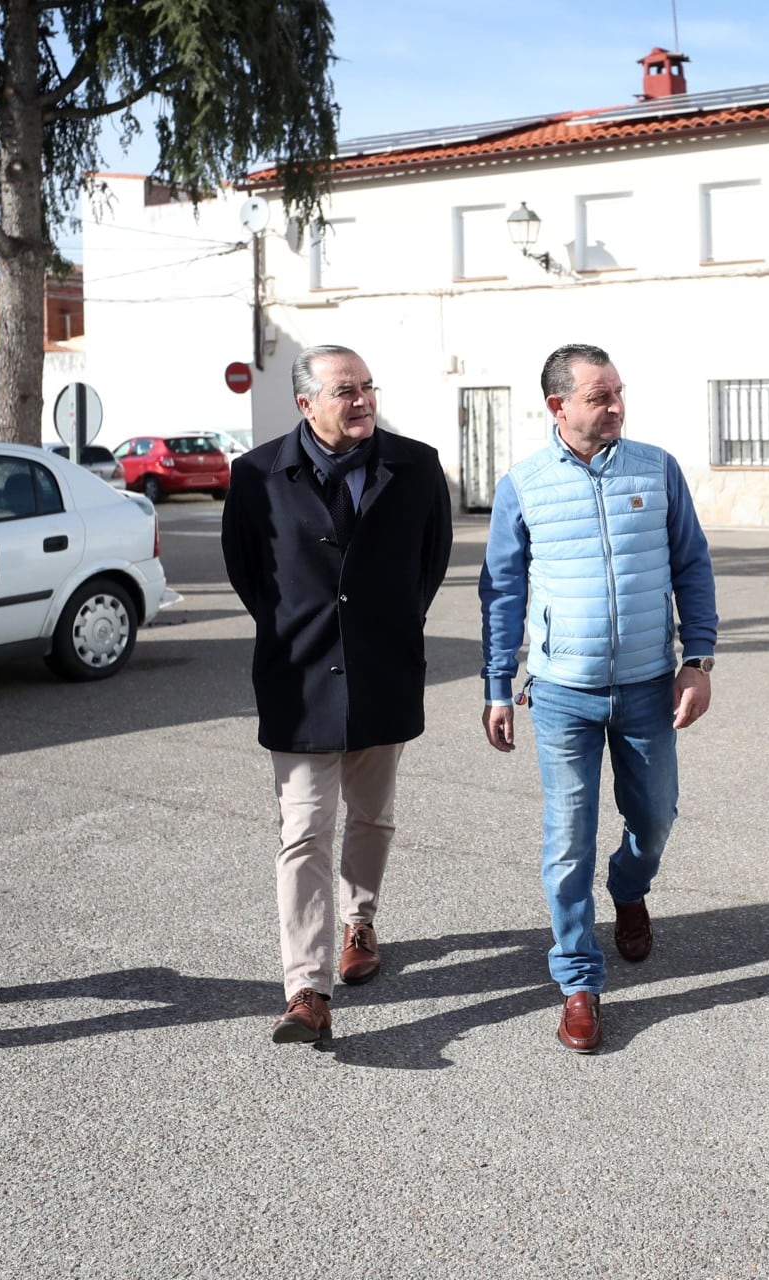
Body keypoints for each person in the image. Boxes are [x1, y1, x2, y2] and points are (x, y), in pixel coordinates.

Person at [479, 343, 718, 1053]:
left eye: (618, 393)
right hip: (559, 694)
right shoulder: (524, 484)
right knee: (567, 838)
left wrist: (697, 659)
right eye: (599, 396)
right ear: (560, 406)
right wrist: (497, 683)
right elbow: (502, 593)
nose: (615, 406)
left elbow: (692, 565)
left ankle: (630, 886)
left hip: (648, 685)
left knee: (655, 815)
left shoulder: (657, 468)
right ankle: (579, 981)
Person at [222, 345, 452, 1048]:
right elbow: (248, 574)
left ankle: (361, 918)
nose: (362, 400)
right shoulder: (256, 474)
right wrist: (307, 632)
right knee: (303, 831)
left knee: (372, 816)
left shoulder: (415, 466)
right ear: (306, 405)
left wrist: (383, 627)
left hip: (384, 669)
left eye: (367, 388)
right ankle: (306, 991)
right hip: (298, 678)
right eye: (344, 391)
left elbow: (429, 564)